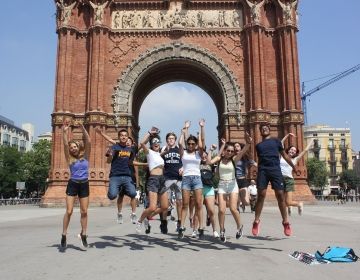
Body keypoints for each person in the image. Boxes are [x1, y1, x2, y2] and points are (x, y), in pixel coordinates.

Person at [252, 124, 296, 237]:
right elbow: (257, 159)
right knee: (261, 195)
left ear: (270, 130)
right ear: (260, 132)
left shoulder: (276, 142)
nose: (265, 129)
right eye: (262, 128)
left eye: (266, 127)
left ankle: (285, 222)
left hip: (275, 170)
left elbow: (285, 156)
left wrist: (293, 166)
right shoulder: (258, 146)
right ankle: (256, 221)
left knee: (280, 195)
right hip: (263, 171)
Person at [209, 134, 252, 242]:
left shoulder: (234, 160)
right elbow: (209, 162)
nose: (230, 153)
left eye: (232, 151)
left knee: (233, 208)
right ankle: (222, 230)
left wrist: (248, 142)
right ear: (224, 151)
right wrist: (211, 150)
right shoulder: (219, 159)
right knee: (221, 210)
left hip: (233, 185)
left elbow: (242, 152)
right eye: (228, 150)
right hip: (222, 185)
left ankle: (239, 226)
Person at [61, 123, 91, 248]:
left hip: (84, 184)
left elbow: (88, 141)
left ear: (79, 147)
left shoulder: (86, 156)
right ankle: (64, 234)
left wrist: (83, 129)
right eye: (71, 147)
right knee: (69, 211)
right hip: (73, 184)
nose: (72, 148)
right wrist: (64, 132)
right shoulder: (69, 159)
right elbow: (64, 144)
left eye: (74, 146)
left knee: (84, 211)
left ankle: (84, 233)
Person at [96, 128, 137, 217]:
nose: (123, 137)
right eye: (122, 135)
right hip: (115, 175)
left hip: (127, 176)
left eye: (125, 136)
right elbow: (108, 161)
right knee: (112, 196)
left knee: (133, 193)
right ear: (118, 137)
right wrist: (110, 156)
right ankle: (113, 190)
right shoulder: (114, 147)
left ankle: (133, 213)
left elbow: (130, 162)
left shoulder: (130, 150)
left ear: (127, 138)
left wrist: (144, 164)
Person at [135, 128, 169, 234]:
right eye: (154, 142)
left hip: (162, 180)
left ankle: (148, 217)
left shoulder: (160, 155)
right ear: (151, 144)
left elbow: (169, 148)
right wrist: (150, 133)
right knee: (153, 206)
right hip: (153, 179)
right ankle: (140, 221)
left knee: (164, 207)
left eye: (158, 142)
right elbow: (141, 142)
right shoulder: (149, 152)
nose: (156, 143)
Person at [177, 120, 205, 239]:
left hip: (197, 179)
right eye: (189, 143)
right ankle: (182, 227)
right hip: (186, 179)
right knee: (185, 204)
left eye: (193, 144)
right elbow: (179, 143)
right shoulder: (183, 153)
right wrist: (184, 130)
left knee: (199, 204)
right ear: (187, 144)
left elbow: (202, 143)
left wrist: (201, 127)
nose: (191, 145)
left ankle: (201, 227)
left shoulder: (199, 153)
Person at [281, 133, 313, 216]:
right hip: (280, 180)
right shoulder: (281, 156)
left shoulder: (295, 159)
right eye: (291, 149)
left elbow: (305, 151)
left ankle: (299, 204)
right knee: (283, 200)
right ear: (288, 150)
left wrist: (311, 141)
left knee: (288, 201)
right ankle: (289, 206)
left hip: (289, 180)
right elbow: (281, 143)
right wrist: (287, 135)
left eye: (294, 151)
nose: (292, 151)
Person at [160, 132, 183, 233]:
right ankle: (164, 222)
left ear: (175, 140)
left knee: (179, 202)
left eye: (172, 138)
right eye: (169, 138)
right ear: (166, 140)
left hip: (178, 178)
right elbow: (159, 161)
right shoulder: (164, 150)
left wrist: (183, 168)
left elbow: (185, 160)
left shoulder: (179, 149)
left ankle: (180, 223)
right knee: (166, 203)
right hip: (167, 178)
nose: (170, 140)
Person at [234, 142, 257, 212]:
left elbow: (255, 164)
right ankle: (237, 206)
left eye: (237, 146)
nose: (236, 148)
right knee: (235, 199)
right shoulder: (233, 157)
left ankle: (241, 203)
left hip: (243, 180)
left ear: (241, 148)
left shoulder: (246, 158)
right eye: (234, 147)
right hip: (234, 180)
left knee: (246, 202)